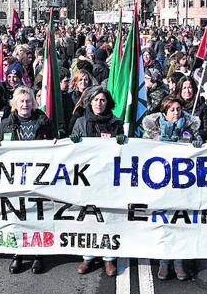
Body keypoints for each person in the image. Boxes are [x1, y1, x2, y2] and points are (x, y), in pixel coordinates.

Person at [141, 97, 202, 281]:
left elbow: (202, 151)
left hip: (183, 186)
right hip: (161, 184)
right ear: (164, 113)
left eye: (178, 109)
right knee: (163, 222)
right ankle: (164, 261)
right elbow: (141, 151)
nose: (176, 113)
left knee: (181, 223)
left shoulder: (189, 130)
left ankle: (178, 261)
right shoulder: (152, 131)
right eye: (172, 110)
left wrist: (197, 142)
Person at [0, 86, 55, 274]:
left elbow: (56, 145)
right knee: (17, 215)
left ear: (33, 103)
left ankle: (38, 254)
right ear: (15, 103)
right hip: (15, 178)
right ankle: (18, 254)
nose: (25, 104)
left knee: (38, 214)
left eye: (28, 101)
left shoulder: (44, 121)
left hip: (39, 178)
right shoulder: (6, 123)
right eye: (21, 101)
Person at [70, 86, 123, 277]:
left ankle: (109, 259)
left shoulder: (116, 122)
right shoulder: (81, 123)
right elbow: (71, 152)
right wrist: (73, 141)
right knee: (89, 218)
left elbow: (124, 152)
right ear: (89, 102)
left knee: (107, 217)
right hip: (87, 178)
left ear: (107, 102)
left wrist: (123, 140)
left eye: (102, 100)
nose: (99, 104)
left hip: (109, 177)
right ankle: (88, 257)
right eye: (95, 100)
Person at [173, 75, 207, 141]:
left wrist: (193, 134)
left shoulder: (202, 107)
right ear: (179, 90)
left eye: (190, 88)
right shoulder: (174, 105)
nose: (187, 91)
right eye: (184, 88)